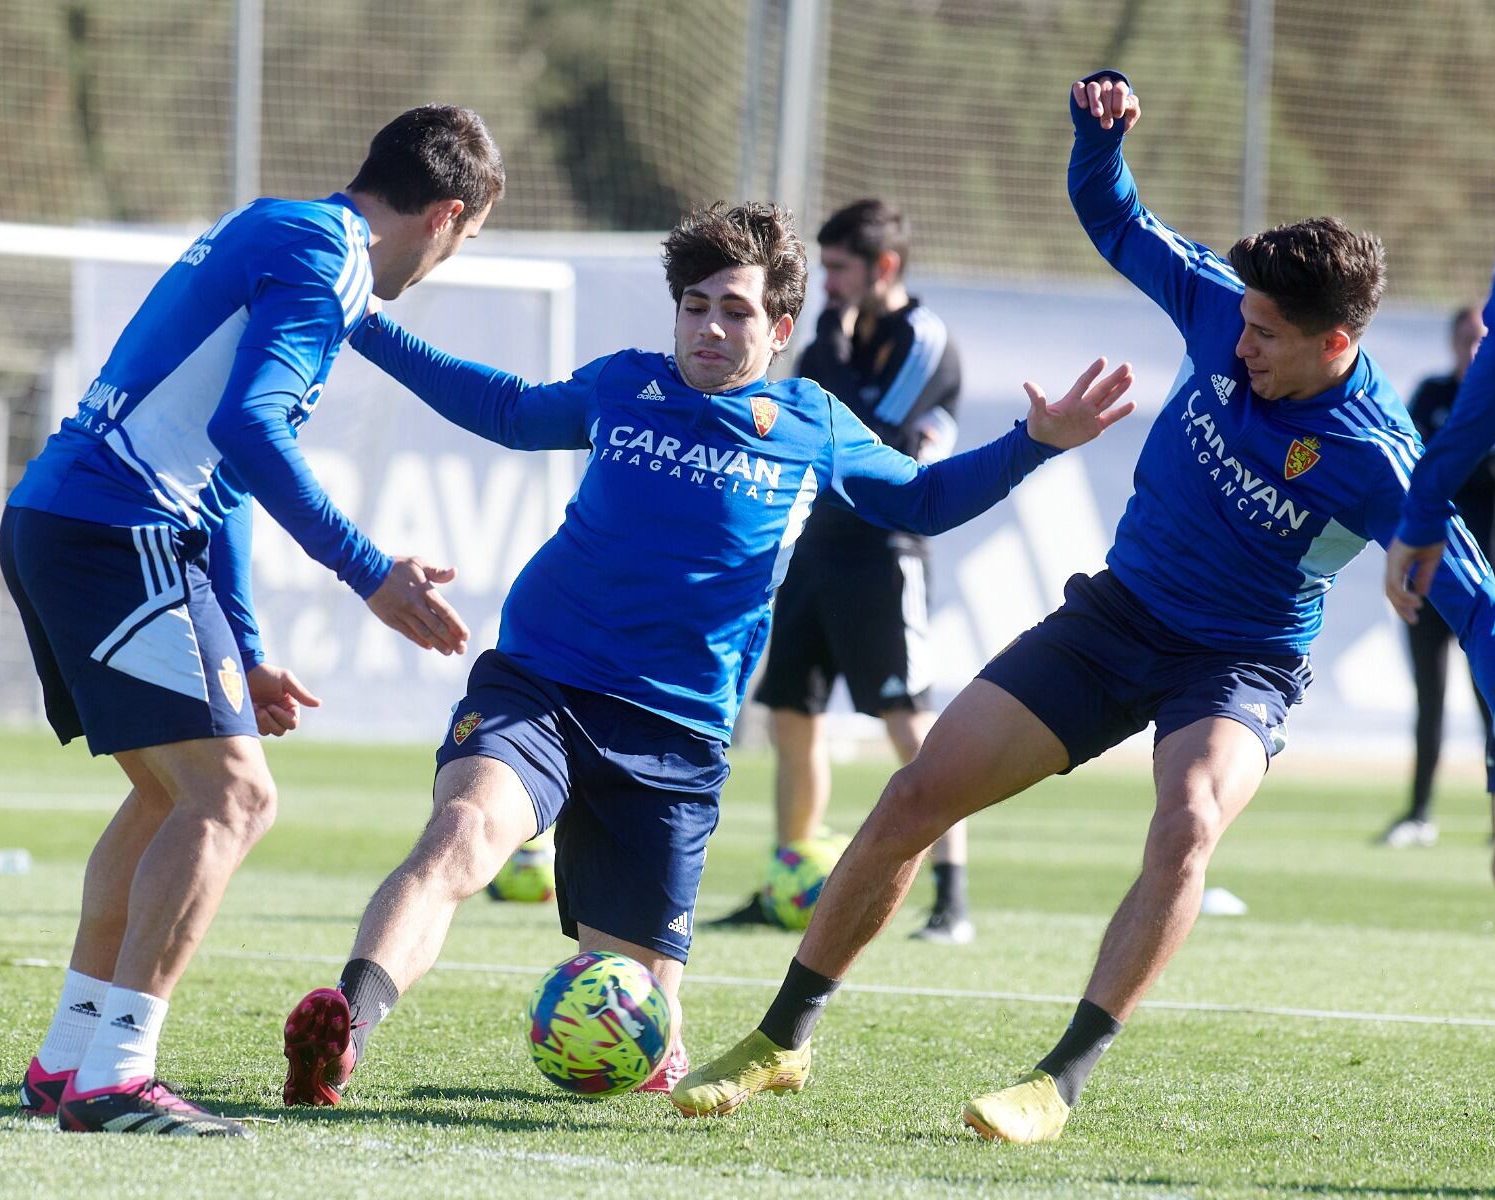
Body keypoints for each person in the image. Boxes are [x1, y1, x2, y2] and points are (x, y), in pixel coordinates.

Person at [672, 71, 1495, 1144]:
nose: (1239, 344)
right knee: (915, 796)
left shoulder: (1379, 461)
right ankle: (782, 1037)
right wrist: (1095, 138)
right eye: (1242, 322)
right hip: (1114, 616)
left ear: (1334, 345)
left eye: (1266, 336)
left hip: (1239, 664)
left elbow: (1478, 600)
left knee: (1189, 824)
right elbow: (1116, 219)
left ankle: (1055, 1083)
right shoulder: (1221, 309)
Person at [277, 201, 1135, 1107]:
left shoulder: (813, 425)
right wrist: (363, 322)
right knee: (466, 832)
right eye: (695, 306)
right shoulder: (626, 385)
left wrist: (1033, 443)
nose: (711, 328)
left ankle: (641, 1032)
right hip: (544, 681)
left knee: (641, 1027)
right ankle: (346, 1027)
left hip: (678, 735)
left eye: (735, 310)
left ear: (781, 328)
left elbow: (919, 502)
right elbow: (505, 410)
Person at [2, 105, 505, 1136]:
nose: (451, 258)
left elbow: (223, 471)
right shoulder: (323, 257)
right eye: (466, 240)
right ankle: (116, 1075)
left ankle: (69, 1059)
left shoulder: (282, 228)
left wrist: (250, 650)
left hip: (77, 520)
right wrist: (368, 570)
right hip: (116, 528)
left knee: (164, 795)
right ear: (448, 214)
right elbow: (249, 426)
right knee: (233, 799)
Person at [711, 198, 975, 943]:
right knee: (791, 716)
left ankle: (950, 897)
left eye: (838, 268)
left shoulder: (922, 337)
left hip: (882, 554)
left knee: (908, 723)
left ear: (883, 268)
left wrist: (832, 357)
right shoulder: (831, 330)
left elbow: (864, 435)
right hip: (815, 549)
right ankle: (788, 879)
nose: (824, 282)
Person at [1385, 130, 1495, 972]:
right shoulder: (1432, 390)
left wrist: (1423, 507)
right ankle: (1421, 806)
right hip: (1459, 584)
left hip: (1483, 574)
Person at [1383, 306, 1495, 848]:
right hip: (1428, 578)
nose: (1474, 347)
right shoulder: (1433, 395)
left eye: (1483, 337)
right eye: (1466, 337)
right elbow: (1410, 466)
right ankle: (1418, 814)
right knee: (1429, 699)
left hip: (1488, 586)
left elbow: (1491, 467)